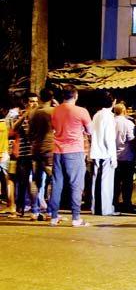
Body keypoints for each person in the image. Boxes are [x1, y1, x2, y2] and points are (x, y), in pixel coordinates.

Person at [49, 85, 93, 227]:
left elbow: (53, 128)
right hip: (74, 150)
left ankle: (54, 217)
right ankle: (76, 218)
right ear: (75, 95)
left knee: (56, 184)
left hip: (57, 150)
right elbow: (90, 130)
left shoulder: (54, 111)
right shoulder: (81, 111)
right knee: (76, 184)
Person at [28, 88, 56, 221]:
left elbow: (30, 133)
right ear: (51, 98)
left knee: (35, 180)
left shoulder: (33, 113)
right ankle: (50, 212)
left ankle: (34, 211)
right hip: (50, 149)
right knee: (52, 180)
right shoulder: (53, 112)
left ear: (40, 98)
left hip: (36, 149)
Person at [90, 91, 118, 216]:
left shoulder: (96, 115)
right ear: (114, 102)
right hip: (106, 153)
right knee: (106, 183)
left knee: (96, 181)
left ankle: (95, 207)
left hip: (95, 151)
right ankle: (105, 209)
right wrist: (113, 156)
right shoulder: (109, 117)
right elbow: (109, 138)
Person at [113, 103, 135, 213]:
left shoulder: (110, 122)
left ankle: (115, 203)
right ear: (124, 111)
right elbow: (131, 139)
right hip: (126, 156)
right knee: (127, 182)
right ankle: (127, 203)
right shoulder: (128, 123)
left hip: (113, 156)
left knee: (115, 182)